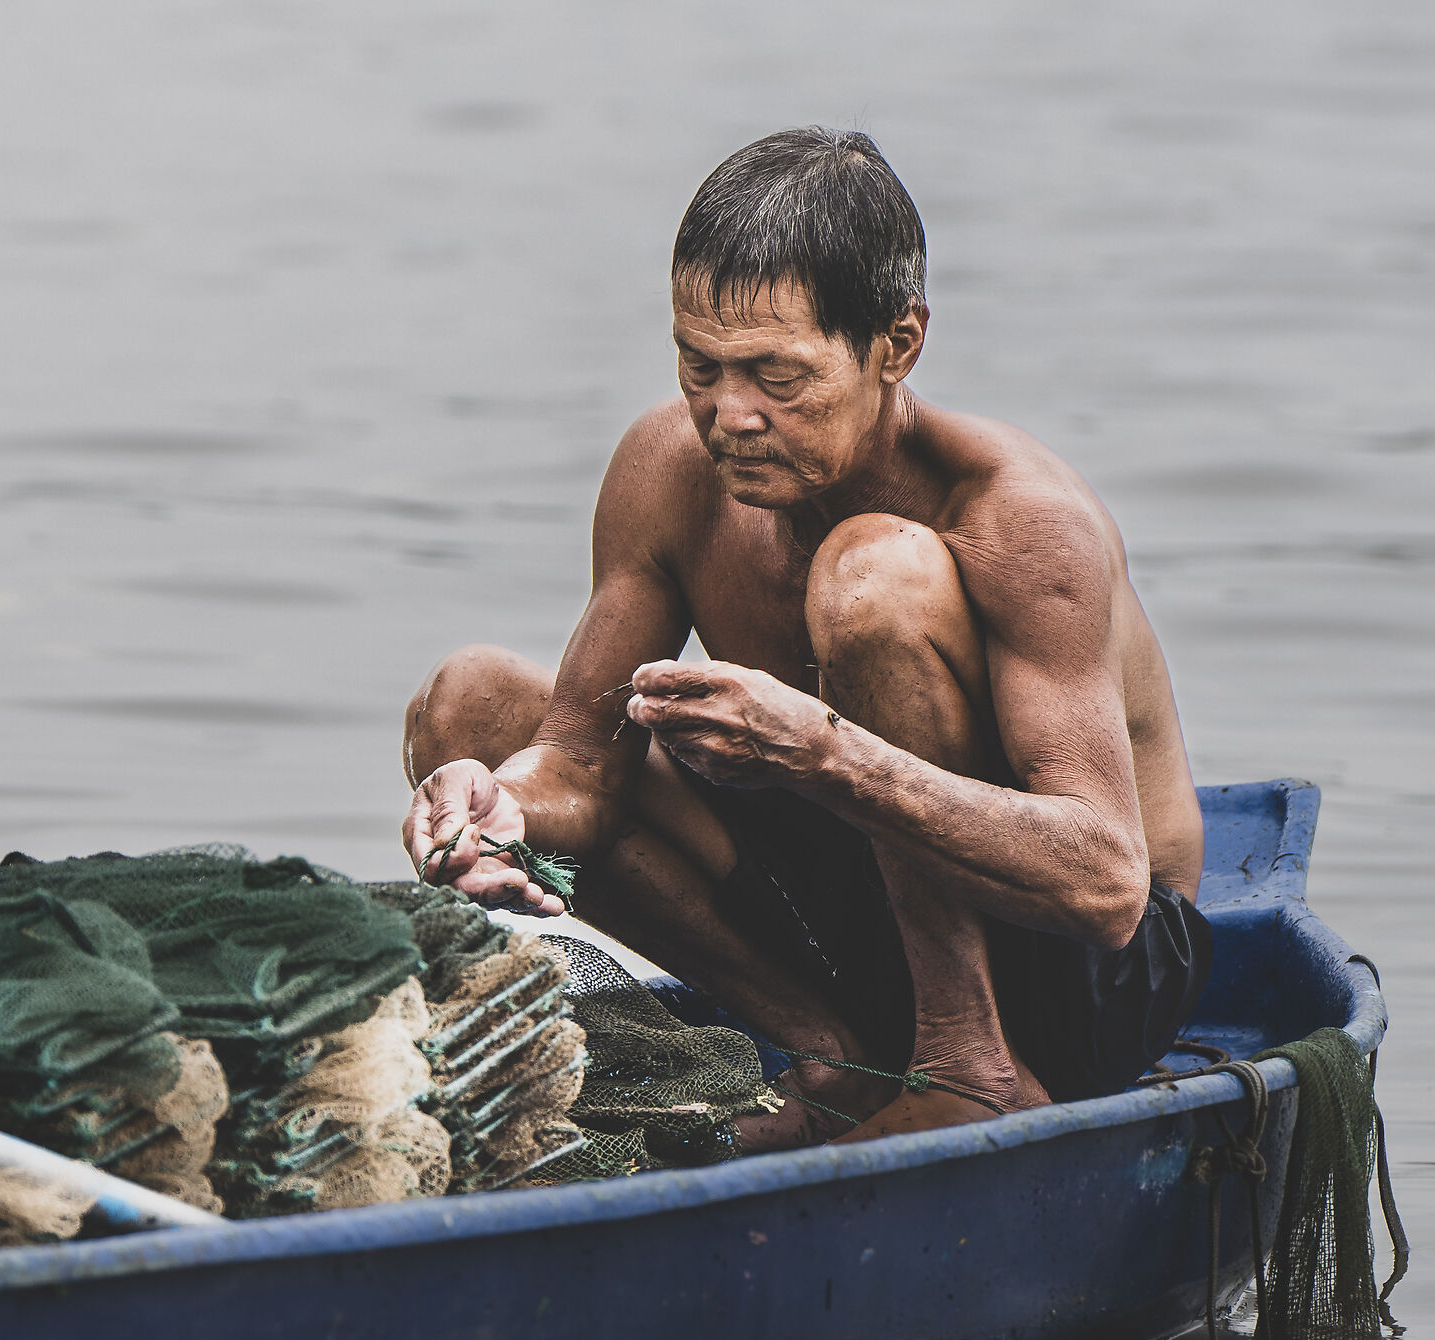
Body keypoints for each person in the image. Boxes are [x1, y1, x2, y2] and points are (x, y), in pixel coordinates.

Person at [401, 127, 1212, 1148]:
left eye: (776, 377)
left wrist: (823, 753)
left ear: (896, 347)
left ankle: (969, 1067)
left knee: (872, 576)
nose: (729, 415)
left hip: (1080, 971)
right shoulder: (668, 473)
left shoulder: (1018, 519)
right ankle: (835, 1060)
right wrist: (503, 806)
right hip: (857, 911)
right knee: (468, 705)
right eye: (701, 366)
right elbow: (580, 762)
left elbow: (1104, 888)